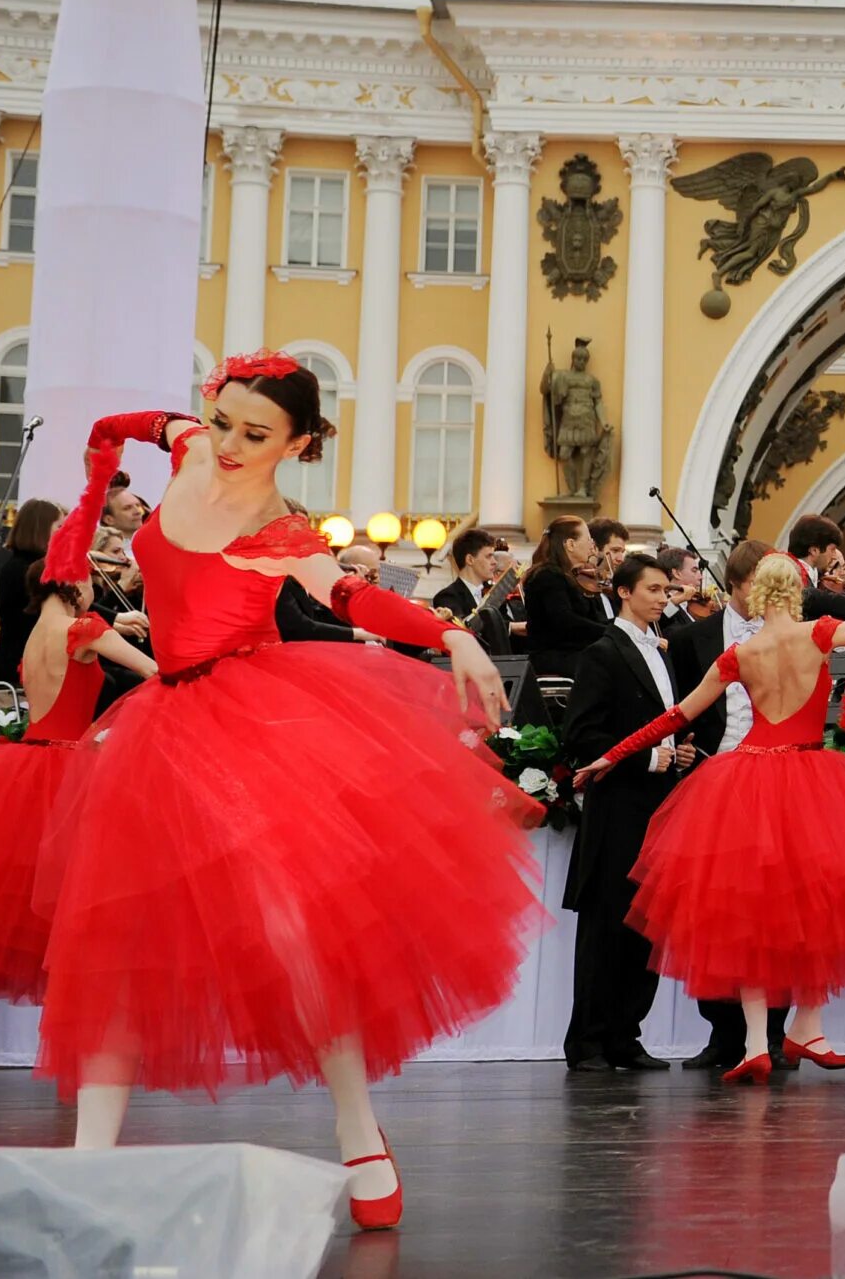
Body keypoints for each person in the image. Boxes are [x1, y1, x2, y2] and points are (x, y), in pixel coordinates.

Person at [32, 360, 540, 1231]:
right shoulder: (190, 443)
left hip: (254, 724)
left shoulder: (281, 532)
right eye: (223, 421)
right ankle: (88, 1161)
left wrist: (452, 631)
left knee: (293, 931)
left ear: (298, 444)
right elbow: (124, 421)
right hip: (163, 728)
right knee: (113, 932)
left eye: (255, 434)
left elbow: (350, 594)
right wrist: (85, 497)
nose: (229, 443)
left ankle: (355, 1124)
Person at [571, 556, 845, 1079]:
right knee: (817, 907)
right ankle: (806, 1027)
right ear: (799, 592)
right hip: (812, 777)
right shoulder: (825, 631)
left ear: (757, 595)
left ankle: (754, 1044)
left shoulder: (740, 653)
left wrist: (612, 755)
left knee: (750, 917)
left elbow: (677, 717)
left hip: (747, 778)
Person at [0, 563, 156, 1089]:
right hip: (71, 776)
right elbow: (155, 674)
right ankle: (69, 1056)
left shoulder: (32, 636)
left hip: (19, 769)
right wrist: (114, 730)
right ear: (75, 585)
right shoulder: (85, 628)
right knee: (75, 919)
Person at [560, 553, 692, 1074]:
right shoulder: (602, 652)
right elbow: (582, 735)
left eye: (667, 590)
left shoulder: (663, 651)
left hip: (660, 807)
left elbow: (666, 724)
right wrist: (650, 757)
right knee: (608, 926)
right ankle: (589, 1041)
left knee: (648, 924)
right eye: (655, 589)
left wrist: (677, 752)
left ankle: (625, 1036)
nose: (665, 597)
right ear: (623, 592)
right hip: (617, 812)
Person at [667, 537, 774, 1072]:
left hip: (779, 780)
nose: (766, 594)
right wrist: (684, 748)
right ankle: (723, 1032)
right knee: (715, 907)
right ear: (735, 583)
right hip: (715, 777)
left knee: (777, 908)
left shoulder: (789, 636)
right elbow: (684, 709)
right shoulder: (691, 639)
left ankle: (770, 1034)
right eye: (757, 582)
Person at [524, 516, 612, 685]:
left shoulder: (570, 576)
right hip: (554, 656)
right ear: (570, 544)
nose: (592, 545)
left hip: (572, 652)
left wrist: (621, 626)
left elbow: (592, 620)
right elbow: (565, 623)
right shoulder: (547, 575)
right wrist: (611, 632)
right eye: (588, 539)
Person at [0, 498, 62, 687]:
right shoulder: (27, 569)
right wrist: (115, 619)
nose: (65, 534)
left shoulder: (26, 566)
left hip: (27, 656)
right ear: (41, 528)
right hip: (22, 661)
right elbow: (58, 605)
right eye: (59, 527)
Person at [432, 527, 514, 656]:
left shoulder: (494, 592)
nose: (494, 562)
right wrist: (513, 627)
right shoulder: (447, 596)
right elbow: (465, 628)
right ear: (470, 560)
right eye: (489, 556)